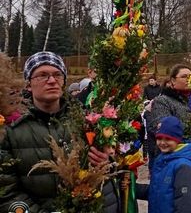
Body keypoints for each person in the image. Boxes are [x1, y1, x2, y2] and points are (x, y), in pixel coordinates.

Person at [0, 52, 120, 212]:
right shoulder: (11, 132)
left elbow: (109, 174)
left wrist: (107, 162)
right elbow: (7, 193)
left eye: (58, 75)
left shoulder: (88, 122)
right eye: (42, 75)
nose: (52, 81)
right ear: (28, 84)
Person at [136, 116, 191, 213]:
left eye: (168, 139)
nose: (162, 143)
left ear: (177, 140)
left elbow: (185, 203)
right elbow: (158, 189)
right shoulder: (162, 159)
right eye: (159, 138)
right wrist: (134, 188)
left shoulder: (183, 166)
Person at [146, 64, 191, 170]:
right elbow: (162, 128)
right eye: (184, 76)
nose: (188, 79)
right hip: (170, 161)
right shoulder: (163, 101)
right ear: (173, 80)